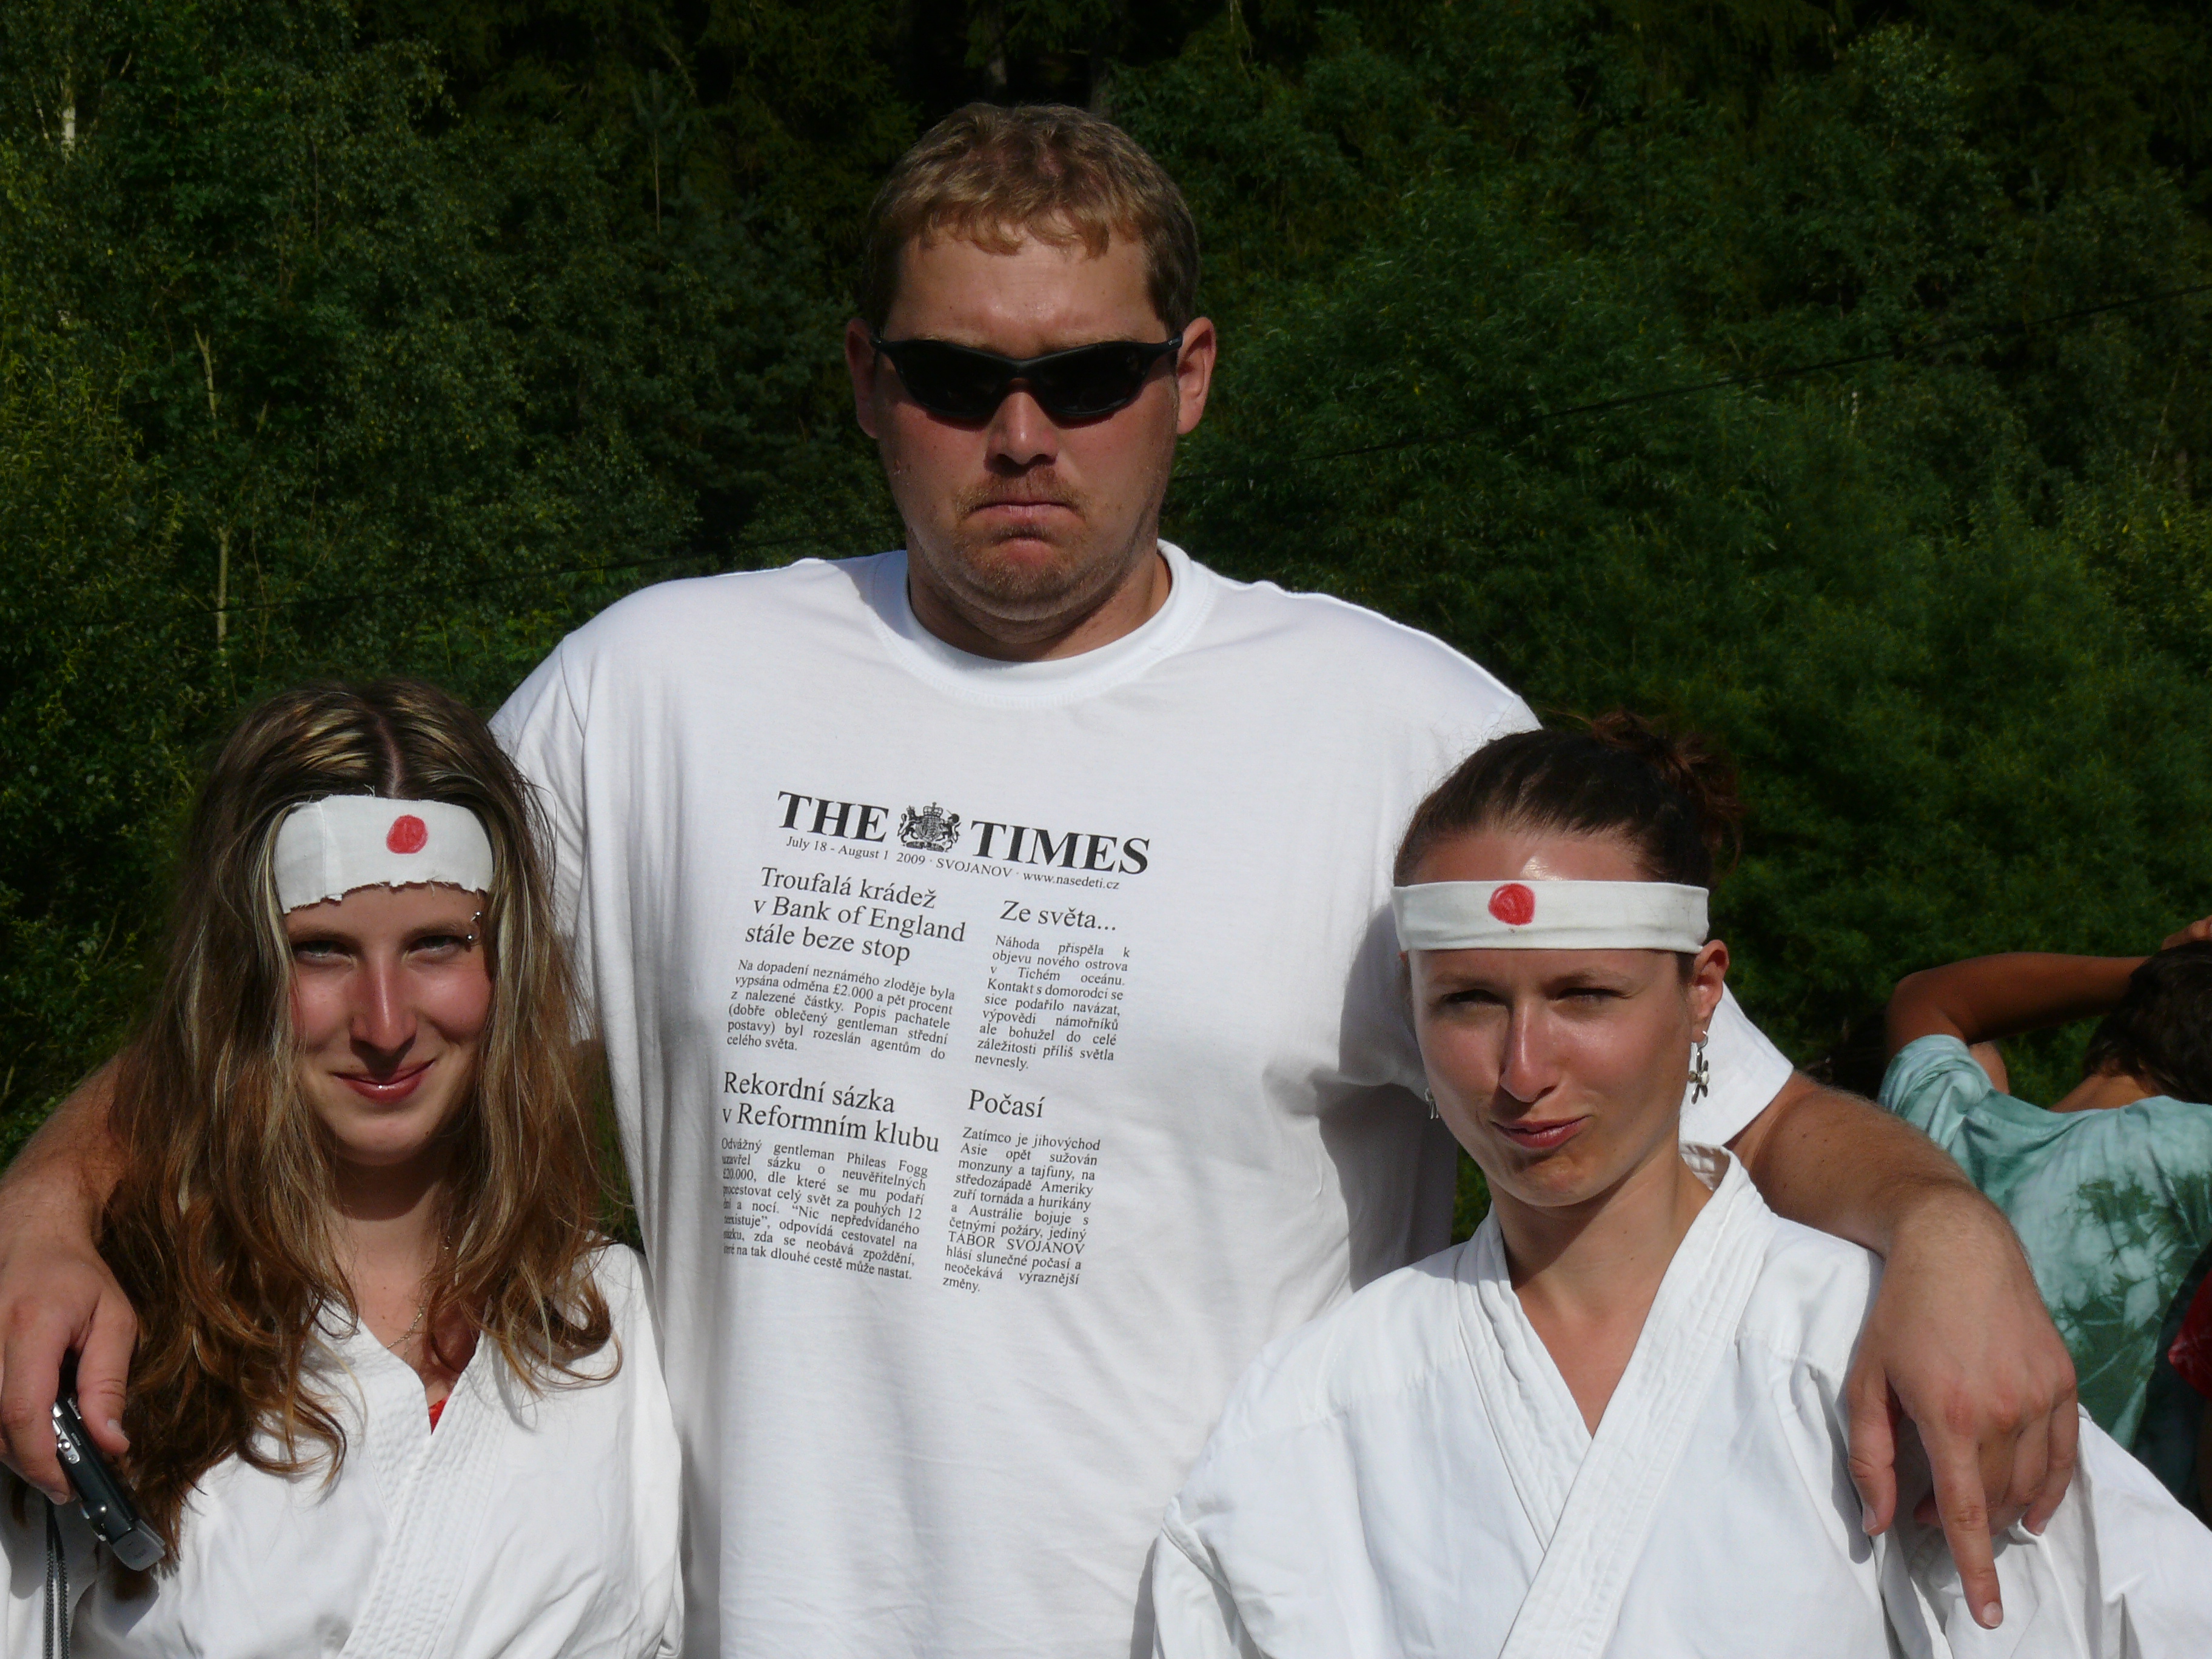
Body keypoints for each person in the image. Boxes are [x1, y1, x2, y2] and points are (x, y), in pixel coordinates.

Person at [0, 105, 2076, 1657]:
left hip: (1233, 1624)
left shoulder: (1387, 723)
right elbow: (326, 1000)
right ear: (863, 381)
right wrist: (48, 1199)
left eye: (1085, 377)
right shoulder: (658, 692)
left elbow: (1727, 1108)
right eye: (953, 377)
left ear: (1189, 376)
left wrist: (1945, 1232)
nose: (1021, 431)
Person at [1150, 719, 2212, 1657]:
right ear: (1409, 998)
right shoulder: (1312, 1414)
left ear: (1700, 991)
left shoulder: (1878, 1355)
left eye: (1585, 995)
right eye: (1469, 1000)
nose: (1523, 1069)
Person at [0, 681, 682, 1655]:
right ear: (239, 973)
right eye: (320, 953)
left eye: (438, 945)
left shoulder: (618, 1334)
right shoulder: (106, 1336)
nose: (386, 1024)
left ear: (508, 960)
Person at [1883, 934, 2212, 1512]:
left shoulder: (1943, 1126)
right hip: (2082, 1551)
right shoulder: (2194, 1152)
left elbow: (1927, 997)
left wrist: (2166, 972)